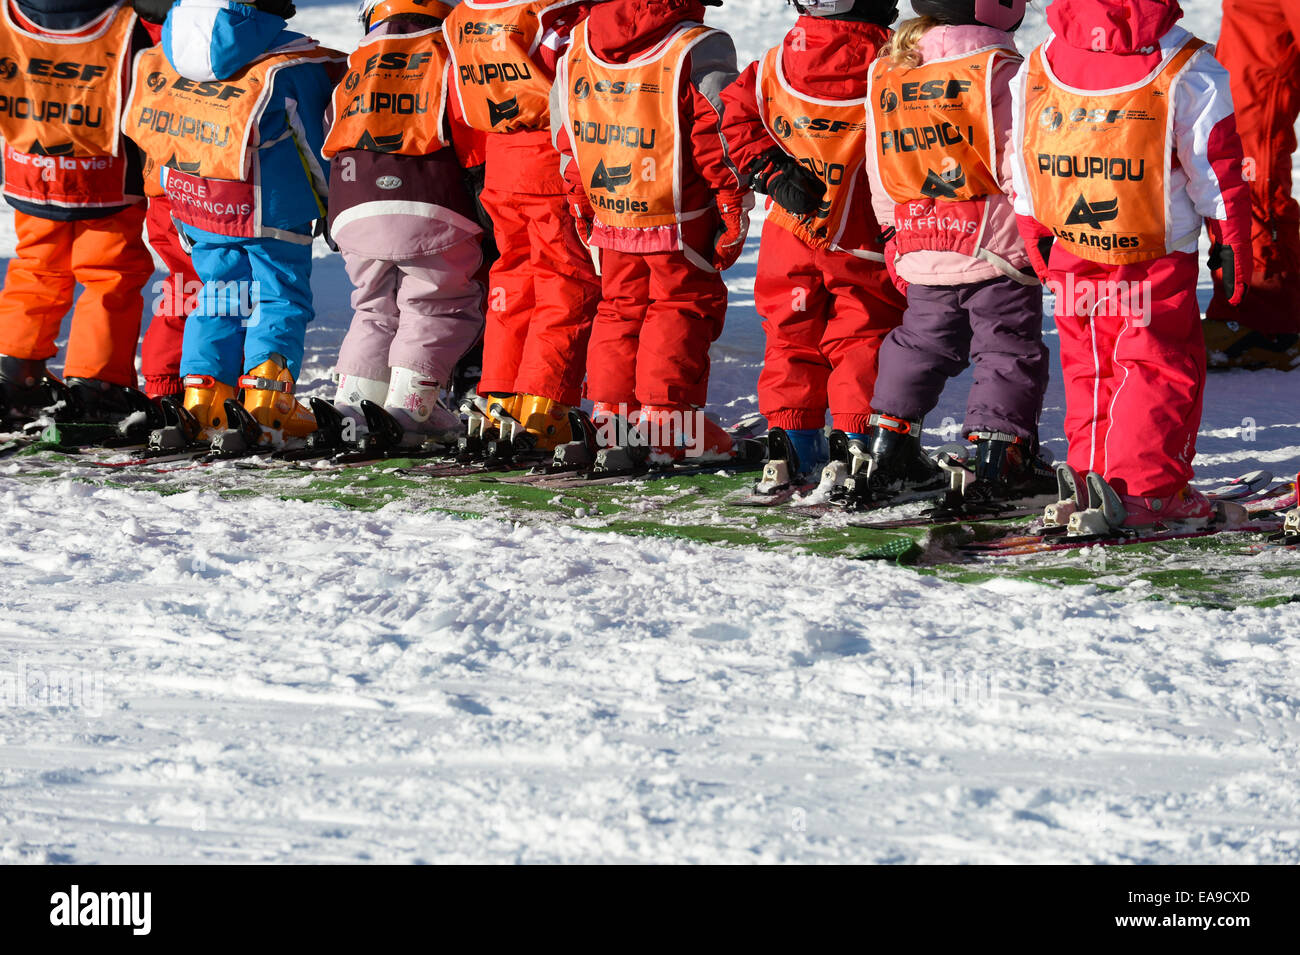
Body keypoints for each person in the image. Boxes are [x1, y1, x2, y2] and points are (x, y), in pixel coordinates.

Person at [1011, 0, 1252, 529]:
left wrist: (1034, 231)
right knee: (1157, 364)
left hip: (1071, 240)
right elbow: (1215, 163)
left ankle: (1091, 477)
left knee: (1090, 361)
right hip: (1153, 249)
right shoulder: (1186, 62)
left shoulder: (1043, 58)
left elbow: (1022, 153)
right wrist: (1231, 242)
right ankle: (1147, 491)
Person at [123, 0, 341, 443]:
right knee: (280, 299)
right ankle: (267, 404)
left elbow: (161, 134)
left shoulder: (165, 52)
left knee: (219, 295)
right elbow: (316, 144)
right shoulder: (291, 62)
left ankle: (203, 400)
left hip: (197, 203)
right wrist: (332, 204)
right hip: (271, 206)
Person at [863, 0, 1050, 503]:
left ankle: (886, 448)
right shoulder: (1002, 70)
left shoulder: (892, 70)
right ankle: (1000, 457)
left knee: (920, 343)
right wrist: (1040, 230)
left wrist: (891, 233)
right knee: (1006, 348)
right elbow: (1020, 162)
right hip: (995, 245)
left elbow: (881, 164)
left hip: (919, 236)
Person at [719, 0, 906, 483]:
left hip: (789, 230)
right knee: (863, 337)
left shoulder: (775, 61)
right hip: (863, 236)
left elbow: (736, 118)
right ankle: (857, 442)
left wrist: (770, 170)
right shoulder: (898, 62)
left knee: (789, 335)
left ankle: (792, 442)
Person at [552, 0, 747, 460]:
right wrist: (732, 199)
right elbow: (717, 130)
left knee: (620, 307)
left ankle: (610, 419)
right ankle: (665, 421)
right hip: (678, 211)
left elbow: (568, 127)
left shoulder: (578, 41)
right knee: (681, 304)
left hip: (612, 208)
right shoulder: (697, 45)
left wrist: (579, 194)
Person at [323, 0, 485, 445]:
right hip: (430, 203)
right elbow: (472, 127)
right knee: (437, 304)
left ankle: (356, 401)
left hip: (353, 202)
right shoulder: (451, 50)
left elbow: (329, 127)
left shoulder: (360, 58)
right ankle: (412, 406)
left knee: (373, 306)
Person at [443, 0, 601, 452]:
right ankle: (543, 407)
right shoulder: (552, 11)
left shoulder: (463, 17)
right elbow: (577, 77)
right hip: (548, 156)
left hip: (499, 160)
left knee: (512, 285)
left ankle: (498, 397)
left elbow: (458, 94)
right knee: (564, 283)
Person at [0, 0, 155, 422]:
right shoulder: (130, 17)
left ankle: (15, 371)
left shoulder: (11, 10)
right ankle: (97, 384)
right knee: (110, 275)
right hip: (105, 171)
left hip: (31, 166)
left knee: (36, 265)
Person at [1201, 0, 1300, 371]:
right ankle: (1242, 308)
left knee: (1256, 179)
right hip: (1245, 70)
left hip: (1263, 84)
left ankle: (1267, 324)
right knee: (1230, 172)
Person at [132, 0, 204, 401]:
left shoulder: (140, 41)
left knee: (182, 285)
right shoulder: (210, 44)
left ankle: (165, 385)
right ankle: (211, 384)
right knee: (226, 290)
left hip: (160, 184)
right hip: (210, 184)